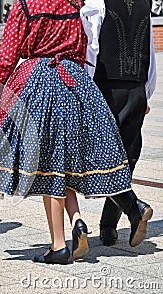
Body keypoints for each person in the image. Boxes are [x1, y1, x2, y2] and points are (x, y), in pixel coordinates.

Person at [0, 0, 152, 265]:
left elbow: (9, 54)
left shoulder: (25, 5)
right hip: (74, 80)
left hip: (38, 79)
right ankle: (77, 222)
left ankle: (59, 246)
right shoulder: (73, 4)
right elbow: (85, 47)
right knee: (60, 161)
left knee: (49, 166)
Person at [87, 0, 156, 247]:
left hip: (106, 87)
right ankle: (108, 227)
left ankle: (133, 208)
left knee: (104, 157)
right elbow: (149, 51)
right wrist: (145, 92)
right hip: (135, 86)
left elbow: (91, 48)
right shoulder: (143, 3)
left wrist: (86, 89)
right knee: (126, 157)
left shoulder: (97, 2)